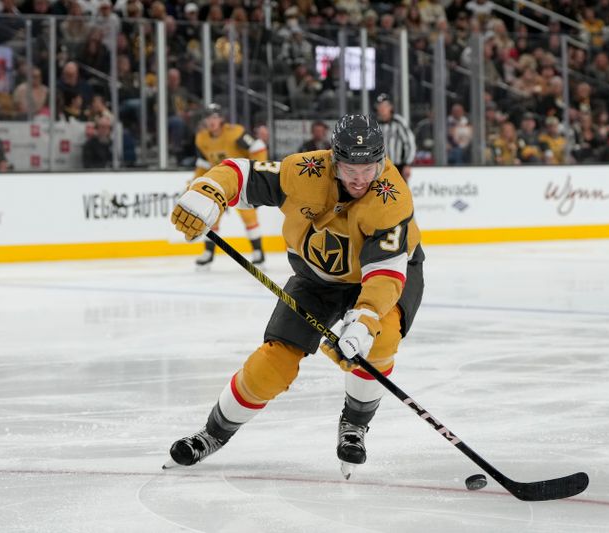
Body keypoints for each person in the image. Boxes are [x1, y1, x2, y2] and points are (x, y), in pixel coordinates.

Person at [167, 114, 424, 479]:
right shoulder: (304, 172)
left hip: (389, 274)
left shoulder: (391, 198)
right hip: (316, 277)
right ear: (335, 160)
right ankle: (212, 434)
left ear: (380, 161)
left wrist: (364, 319)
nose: (360, 178)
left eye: (368, 167)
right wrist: (210, 190)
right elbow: (243, 173)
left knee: (378, 341)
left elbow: (384, 274)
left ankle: (354, 425)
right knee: (273, 363)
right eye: (351, 167)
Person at [190, 103, 268, 266]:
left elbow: (258, 146)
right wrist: (194, 182)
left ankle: (258, 251)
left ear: (221, 119)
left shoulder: (235, 133)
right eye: (208, 118)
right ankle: (208, 252)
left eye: (215, 117)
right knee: (210, 215)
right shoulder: (201, 138)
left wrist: (258, 172)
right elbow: (204, 162)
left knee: (248, 215)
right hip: (218, 182)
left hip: (241, 179)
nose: (212, 121)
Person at [374, 93, 416, 180]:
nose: (382, 109)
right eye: (380, 106)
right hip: (379, 168)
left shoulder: (398, 122)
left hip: (397, 167)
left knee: (398, 192)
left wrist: (407, 164)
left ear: (390, 107)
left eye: (385, 106)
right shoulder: (374, 124)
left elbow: (409, 143)